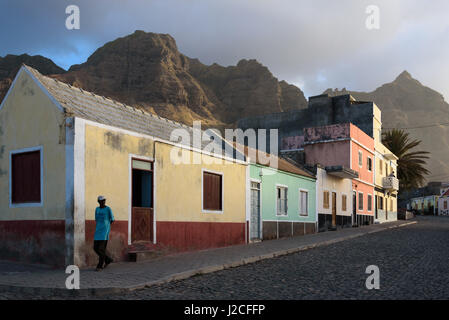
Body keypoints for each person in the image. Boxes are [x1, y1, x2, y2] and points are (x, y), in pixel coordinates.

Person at [93, 196, 115, 271]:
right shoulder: (97, 209)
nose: (103, 202)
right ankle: (108, 259)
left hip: (104, 232)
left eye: (104, 200)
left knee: (101, 249)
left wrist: (107, 227)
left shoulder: (108, 209)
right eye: (101, 201)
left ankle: (100, 266)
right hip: (97, 231)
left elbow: (112, 219)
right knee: (95, 248)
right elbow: (96, 219)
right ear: (98, 202)